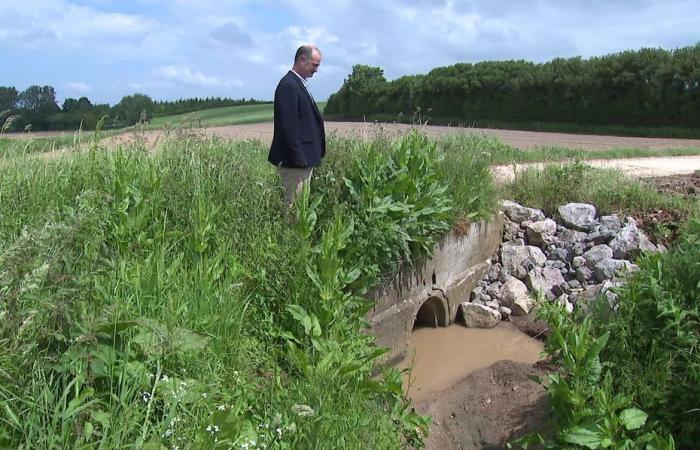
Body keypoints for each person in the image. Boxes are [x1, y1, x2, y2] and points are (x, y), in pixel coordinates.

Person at [268, 44, 326, 206]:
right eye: (315, 65)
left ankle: (295, 232)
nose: (316, 70)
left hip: (302, 160)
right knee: (294, 206)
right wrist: (299, 159)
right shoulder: (289, 85)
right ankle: (290, 233)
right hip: (295, 163)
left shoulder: (297, 84)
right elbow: (288, 126)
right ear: (302, 59)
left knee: (300, 205)